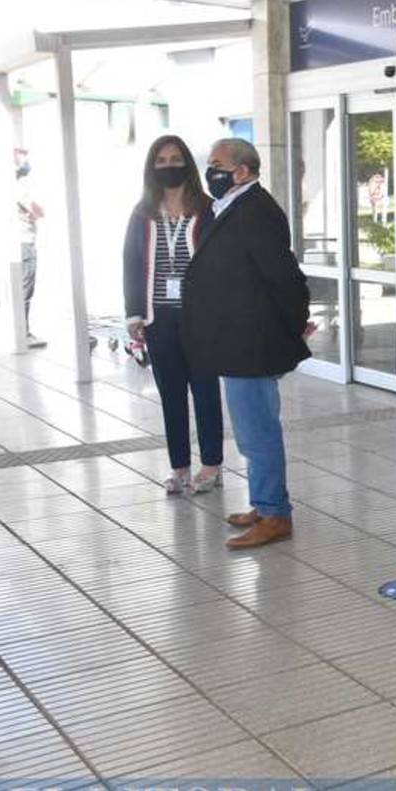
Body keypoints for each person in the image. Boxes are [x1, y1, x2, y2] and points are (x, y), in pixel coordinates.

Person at [180, 138, 312, 550]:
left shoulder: (256, 211)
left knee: (258, 433)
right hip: (238, 340)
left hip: (253, 344)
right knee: (252, 431)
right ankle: (265, 502)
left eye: (217, 164)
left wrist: (292, 327)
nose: (210, 171)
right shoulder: (234, 206)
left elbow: (285, 276)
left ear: (242, 171)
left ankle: (274, 514)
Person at [123, 136, 223, 494]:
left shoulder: (207, 208)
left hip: (201, 317)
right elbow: (132, 263)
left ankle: (211, 465)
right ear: (153, 167)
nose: (168, 164)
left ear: (186, 163)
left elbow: (221, 263)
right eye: (161, 159)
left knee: (206, 391)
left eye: (175, 158)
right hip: (158, 317)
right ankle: (180, 467)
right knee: (171, 394)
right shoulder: (142, 212)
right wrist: (134, 314)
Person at [14, 148, 45, 348]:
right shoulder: (19, 186)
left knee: (24, 287)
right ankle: (22, 333)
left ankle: (22, 331)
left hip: (24, 241)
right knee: (25, 287)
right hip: (25, 242)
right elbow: (37, 210)